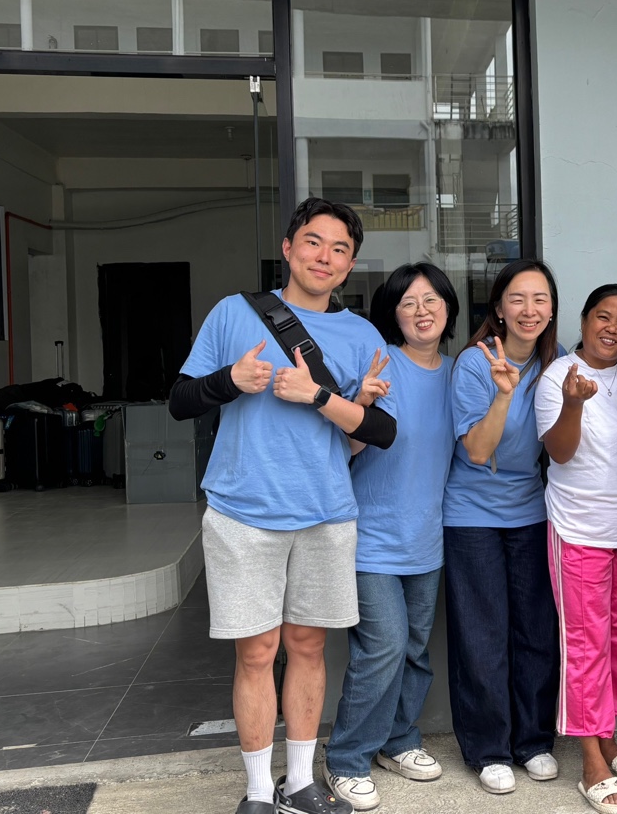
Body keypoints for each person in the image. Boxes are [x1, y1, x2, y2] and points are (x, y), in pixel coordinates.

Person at [169, 197, 398, 814]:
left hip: (325, 512)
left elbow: (380, 433)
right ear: (289, 247)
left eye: (340, 249)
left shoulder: (362, 335)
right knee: (255, 652)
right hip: (243, 512)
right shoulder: (234, 313)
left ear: (350, 266)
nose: (325, 256)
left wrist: (329, 397)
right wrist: (230, 382)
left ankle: (298, 783)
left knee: (308, 646)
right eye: (314, 242)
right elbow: (180, 401)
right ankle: (256, 792)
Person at [322, 263, 461, 812]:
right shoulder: (379, 363)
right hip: (371, 536)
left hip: (427, 537)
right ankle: (346, 758)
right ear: (393, 315)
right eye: (408, 303)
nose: (422, 311)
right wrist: (362, 404)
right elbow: (344, 448)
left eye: (431, 300)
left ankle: (398, 740)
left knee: (414, 649)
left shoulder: (459, 373)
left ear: (448, 307)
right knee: (382, 646)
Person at [443, 259, 563, 795]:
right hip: (471, 515)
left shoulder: (556, 362)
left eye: (540, 299)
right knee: (482, 633)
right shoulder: (475, 362)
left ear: (552, 310)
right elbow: (477, 449)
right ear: (498, 308)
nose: (529, 309)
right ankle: (489, 748)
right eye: (517, 298)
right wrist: (505, 393)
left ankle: (533, 741)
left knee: (536, 630)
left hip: (531, 511)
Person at [536, 284, 617, 814]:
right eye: (603, 317)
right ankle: (590, 759)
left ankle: (607, 736)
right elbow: (560, 453)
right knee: (586, 644)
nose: (612, 328)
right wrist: (573, 403)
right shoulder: (556, 377)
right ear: (583, 321)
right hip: (578, 530)